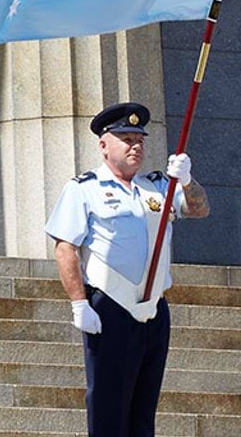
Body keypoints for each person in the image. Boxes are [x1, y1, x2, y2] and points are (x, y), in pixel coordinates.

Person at [45, 102, 208, 437]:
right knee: (108, 410)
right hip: (111, 307)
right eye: (126, 138)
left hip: (153, 309)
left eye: (139, 139)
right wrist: (79, 303)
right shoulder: (84, 188)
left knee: (142, 412)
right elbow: (65, 247)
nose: (136, 146)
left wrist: (188, 180)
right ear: (104, 145)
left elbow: (199, 209)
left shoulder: (158, 186)